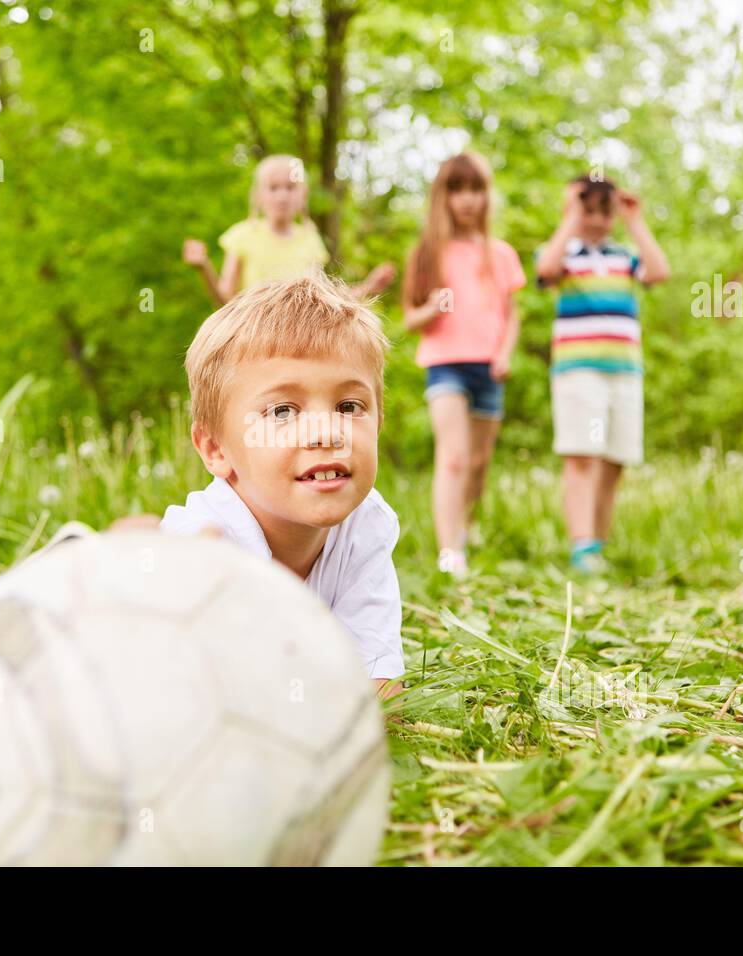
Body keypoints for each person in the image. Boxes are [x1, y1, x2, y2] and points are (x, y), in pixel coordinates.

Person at [161, 273, 404, 696]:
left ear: (379, 423)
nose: (326, 432)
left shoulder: (366, 527)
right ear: (216, 448)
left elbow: (377, 684)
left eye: (349, 406)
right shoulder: (202, 545)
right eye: (282, 411)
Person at [535, 174, 671, 573]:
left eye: (602, 212)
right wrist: (571, 215)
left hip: (624, 373)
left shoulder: (624, 257)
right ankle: (582, 548)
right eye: (587, 210)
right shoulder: (564, 253)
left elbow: (659, 272)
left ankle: (597, 542)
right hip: (579, 371)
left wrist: (635, 221)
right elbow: (546, 268)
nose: (595, 220)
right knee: (583, 455)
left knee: (615, 458)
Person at [402, 152, 526, 576]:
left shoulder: (501, 254)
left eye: (475, 190)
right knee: (452, 457)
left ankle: (467, 524)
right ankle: (449, 552)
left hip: (489, 368)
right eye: (458, 191)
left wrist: (505, 353)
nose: (468, 200)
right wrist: (431, 309)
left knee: (477, 464)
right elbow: (409, 318)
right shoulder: (428, 252)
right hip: (445, 365)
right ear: (444, 197)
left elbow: (511, 314)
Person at [182, 154, 395, 306]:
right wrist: (204, 267)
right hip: (254, 343)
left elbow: (324, 299)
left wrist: (368, 287)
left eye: (290, 188)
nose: (282, 196)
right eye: (274, 188)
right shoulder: (243, 235)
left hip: (301, 343)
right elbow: (225, 300)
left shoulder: (310, 239)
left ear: (303, 195)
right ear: (258, 196)